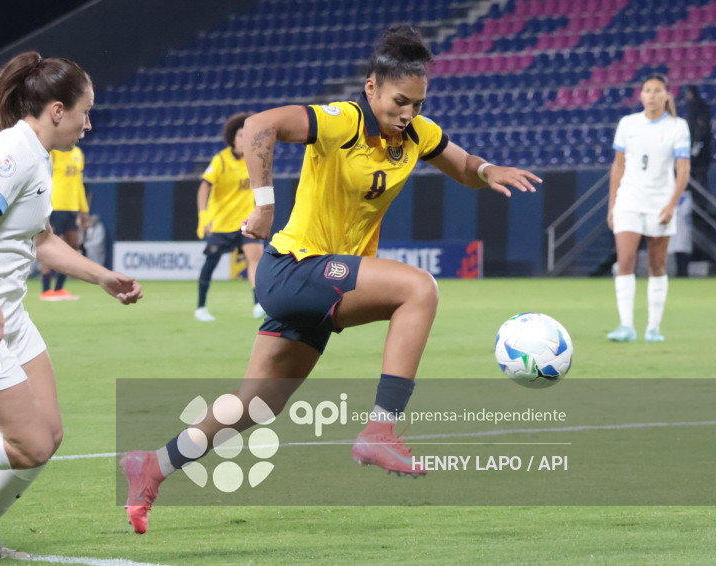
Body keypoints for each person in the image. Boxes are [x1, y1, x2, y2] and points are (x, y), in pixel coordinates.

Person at [119, 24, 540, 534]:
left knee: (257, 404)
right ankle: (381, 429)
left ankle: (154, 466)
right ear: (371, 88)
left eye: (417, 103)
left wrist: (488, 169)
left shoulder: (417, 133)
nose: (407, 114)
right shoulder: (341, 121)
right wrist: (265, 202)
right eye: (399, 101)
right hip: (295, 267)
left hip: (321, 285)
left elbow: (464, 164)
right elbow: (258, 125)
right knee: (418, 289)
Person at [0, 51, 143, 559]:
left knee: (50, 434)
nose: (90, 123)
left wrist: (101, 276)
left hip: (7, 318)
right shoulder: (13, 151)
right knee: (31, 446)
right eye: (86, 111)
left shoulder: (39, 155)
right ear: (57, 109)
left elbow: (39, 240)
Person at [606, 73, 690, 342]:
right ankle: (626, 326)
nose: (651, 95)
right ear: (640, 95)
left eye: (657, 91)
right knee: (626, 260)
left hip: (660, 203)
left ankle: (653, 328)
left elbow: (683, 169)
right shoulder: (628, 124)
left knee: (657, 264)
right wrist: (612, 204)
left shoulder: (678, 126)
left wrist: (671, 204)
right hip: (629, 201)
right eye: (647, 90)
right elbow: (618, 165)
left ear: (667, 95)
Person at [195, 112, 265, 321]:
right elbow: (203, 188)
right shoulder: (221, 160)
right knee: (211, 262)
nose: (244, 140)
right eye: (241, 135)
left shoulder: (255, 159)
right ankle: (200, 307)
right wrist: (203, 216)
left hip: (245, 222)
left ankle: (258, 303)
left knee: (255, 258)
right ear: (232, 138)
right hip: (222, 223)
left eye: (248, 135)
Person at [40, 145, 90, 301]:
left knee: (73, 246)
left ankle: (59, 289)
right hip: (55, 205)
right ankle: (46, 290)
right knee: (49, 246)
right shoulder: (53, 153)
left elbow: (78, 184)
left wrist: (84, 211)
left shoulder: (78, 154)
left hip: (72, 207)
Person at [684, 85, 713, 261]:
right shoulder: (691, 115)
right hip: (694, 161)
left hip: (700, 161)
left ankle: (701, 203)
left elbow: (701, 137)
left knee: (699, 181)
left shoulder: (700, 112)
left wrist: (692, 156)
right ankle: (697, 202)